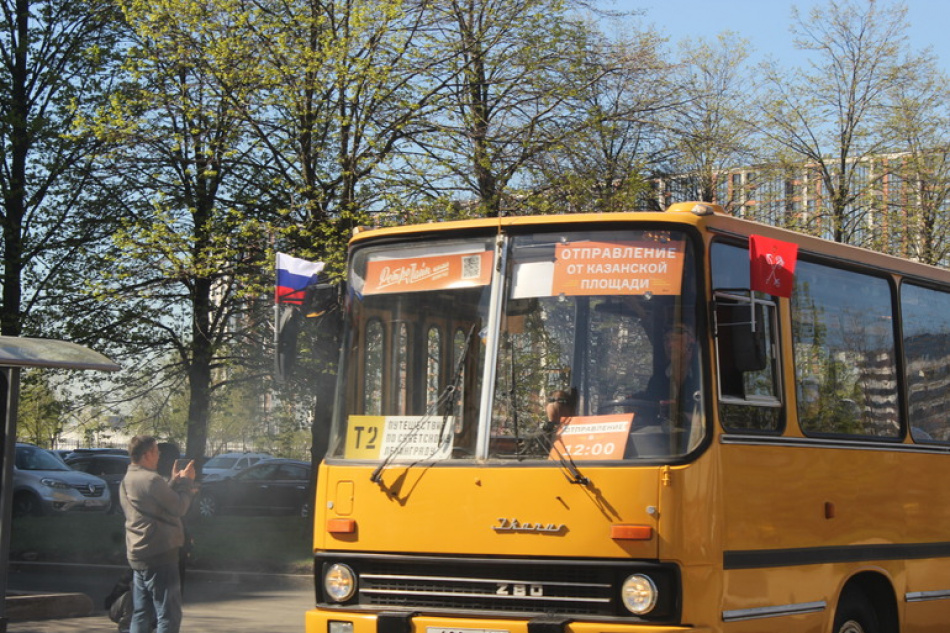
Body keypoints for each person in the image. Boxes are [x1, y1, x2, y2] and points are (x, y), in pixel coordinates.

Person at [120, 436, 197, 633]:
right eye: (156, 451)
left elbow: (153, 503)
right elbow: (179, 507)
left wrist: (172, 482)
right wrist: (187, 483)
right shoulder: (152, 480)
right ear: (147, 455)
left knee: (142, 612)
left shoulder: (128, 478)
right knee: (168, 615)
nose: (158, 455)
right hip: (159, 554)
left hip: (138, 553)